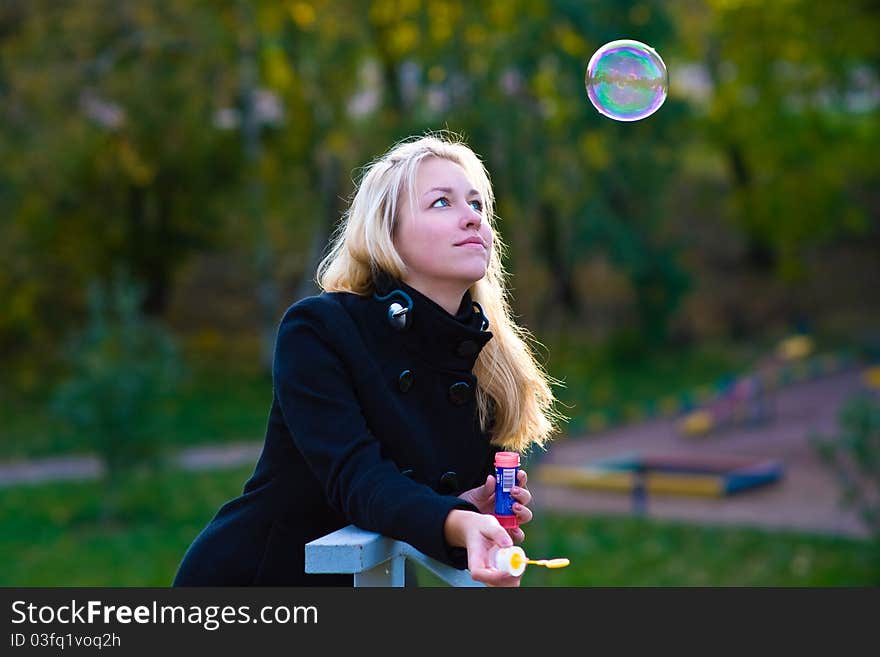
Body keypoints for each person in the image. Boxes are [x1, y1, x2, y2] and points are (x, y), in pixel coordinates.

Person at [172, 132, 564, 587]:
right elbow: (359, 479)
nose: (472, 219)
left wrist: (470, 506)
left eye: (477, 205)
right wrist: (457, 522)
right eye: (442, 203)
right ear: (387, 231)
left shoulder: (483, 359)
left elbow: (416, 501)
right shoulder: (319, 330)